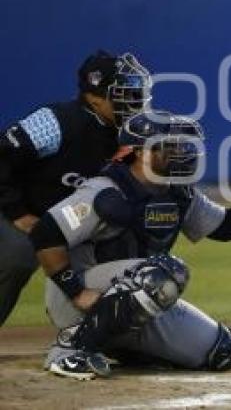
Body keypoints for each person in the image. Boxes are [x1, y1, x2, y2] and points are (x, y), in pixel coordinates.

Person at [28, 109, 231, 380]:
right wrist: (77, 292)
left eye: (186, 146)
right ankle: (71, 349)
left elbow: (226, 226)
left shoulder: (179, 193)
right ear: (140, 151)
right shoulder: (105, 191)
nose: (183, 153)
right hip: (77, 296)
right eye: (171, 146)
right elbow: (45, 233)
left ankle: (122, 345)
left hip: (137, 294)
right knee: (165, 274)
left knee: (224, 351)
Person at [0, 51, 151, 325]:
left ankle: (102, 332)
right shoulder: (55, 121)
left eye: (135, 93)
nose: (135, 102)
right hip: (14, 207)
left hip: (64, 223)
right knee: (19, 255)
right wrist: (17, 212)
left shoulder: (131, 133)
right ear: (94, 98)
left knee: (127, 243)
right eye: (124, 95)